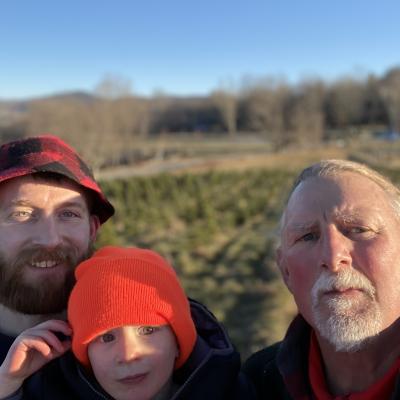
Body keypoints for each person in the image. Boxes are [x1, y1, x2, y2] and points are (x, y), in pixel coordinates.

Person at [0, 246, 255, 399]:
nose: (128, 354)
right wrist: (8, 383)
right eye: (106, 337)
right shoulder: (51, 394)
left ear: (178, 341)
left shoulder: (231, 393)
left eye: (147, 330)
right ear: (83, 352)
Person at [243, 159, 400, 399]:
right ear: (285, 271)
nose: (333, 257)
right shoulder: (255, 386)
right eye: (307, 236)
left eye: (359, 230)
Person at [0, 135, 114, 363]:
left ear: (92, 229)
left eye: (68, 214)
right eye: (21, 214)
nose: (50, 239)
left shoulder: (139, 340)